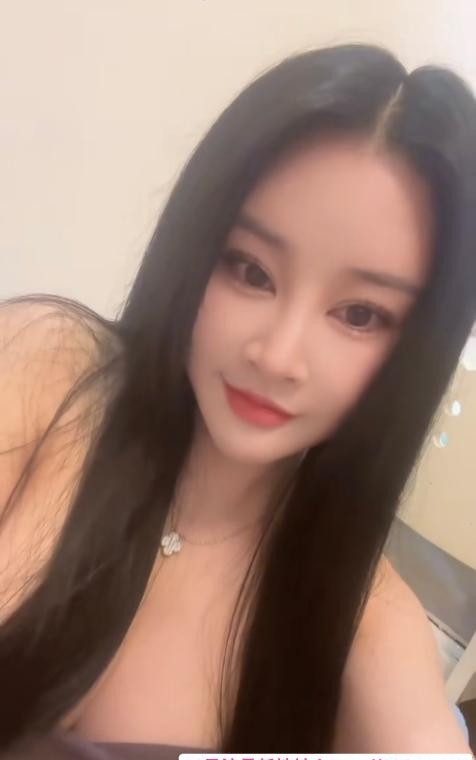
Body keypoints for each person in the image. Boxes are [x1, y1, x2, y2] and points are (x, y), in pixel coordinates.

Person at [0, 43, 475, 758]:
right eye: (251, 271)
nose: (277, 356)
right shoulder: (47, 372)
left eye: (359, 315)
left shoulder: (360, 618)